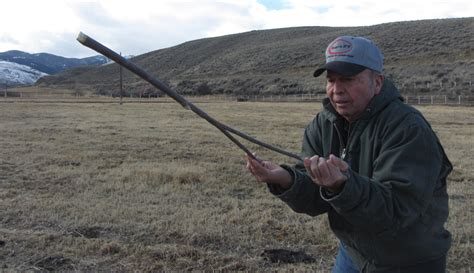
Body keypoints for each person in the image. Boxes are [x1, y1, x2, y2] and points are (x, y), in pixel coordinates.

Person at [246, 36, 452, 273]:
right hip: (353, 253)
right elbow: (316, 196)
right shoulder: (324, 123)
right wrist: (285, 179)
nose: (336, 90)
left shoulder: (408, 129)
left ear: (377, 83)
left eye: (348, 79)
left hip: (409, 260)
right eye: (331, 80)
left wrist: (342, 185)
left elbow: (396, 211)